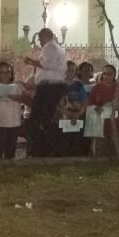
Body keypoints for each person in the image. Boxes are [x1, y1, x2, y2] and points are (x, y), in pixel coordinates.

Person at [26, 28, 68, 157]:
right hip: (51, 88)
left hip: (48, 88)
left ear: (46, 36)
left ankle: (42, 149)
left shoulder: (50, 47)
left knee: (36, 119)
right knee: (44, 120)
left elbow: (47, 64)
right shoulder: (57, 48)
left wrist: (31, 61)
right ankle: (51, 148)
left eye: (40, 38)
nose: (39, 42)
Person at [86, 64, 119, 157]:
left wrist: (117, 108)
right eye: (105, 73)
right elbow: (90, 105)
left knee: (116, 153)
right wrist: (97, 108)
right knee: (100, 153)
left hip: (117, 126)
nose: (107, 76)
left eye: (110, 74)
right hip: (100, 126)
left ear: (114, 75)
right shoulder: (96, 88)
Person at [0, 61, 23, 160]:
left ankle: (8, 172)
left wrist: (17, 98)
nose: (6, 75)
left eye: (8, 72)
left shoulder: (17, 86)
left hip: (13, 124)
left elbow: (25, 100)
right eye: (2, 72)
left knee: (10, 153)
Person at [58, 61, 88, 155]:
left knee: (77, 140)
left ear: (75, 72)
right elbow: (55, 104)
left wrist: (78, 114)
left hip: (78, 117)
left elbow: (85, 102)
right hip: (62, 117)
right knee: (64, 141)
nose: (69, 73)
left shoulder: (79, 86)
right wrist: (70, 114)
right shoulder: (57, 86)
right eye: (66, 70)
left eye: (72, 70)